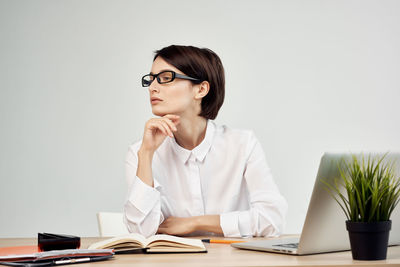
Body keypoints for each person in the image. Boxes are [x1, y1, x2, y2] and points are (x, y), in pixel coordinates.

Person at [123, 45, 287, 238]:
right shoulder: (140, 152)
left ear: (201, 89)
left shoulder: (242, 144)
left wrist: (195, 223)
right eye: (151, 79)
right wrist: (146, 154)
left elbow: (273, 219)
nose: (152, 87)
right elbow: (140, 233)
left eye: (166, 78)